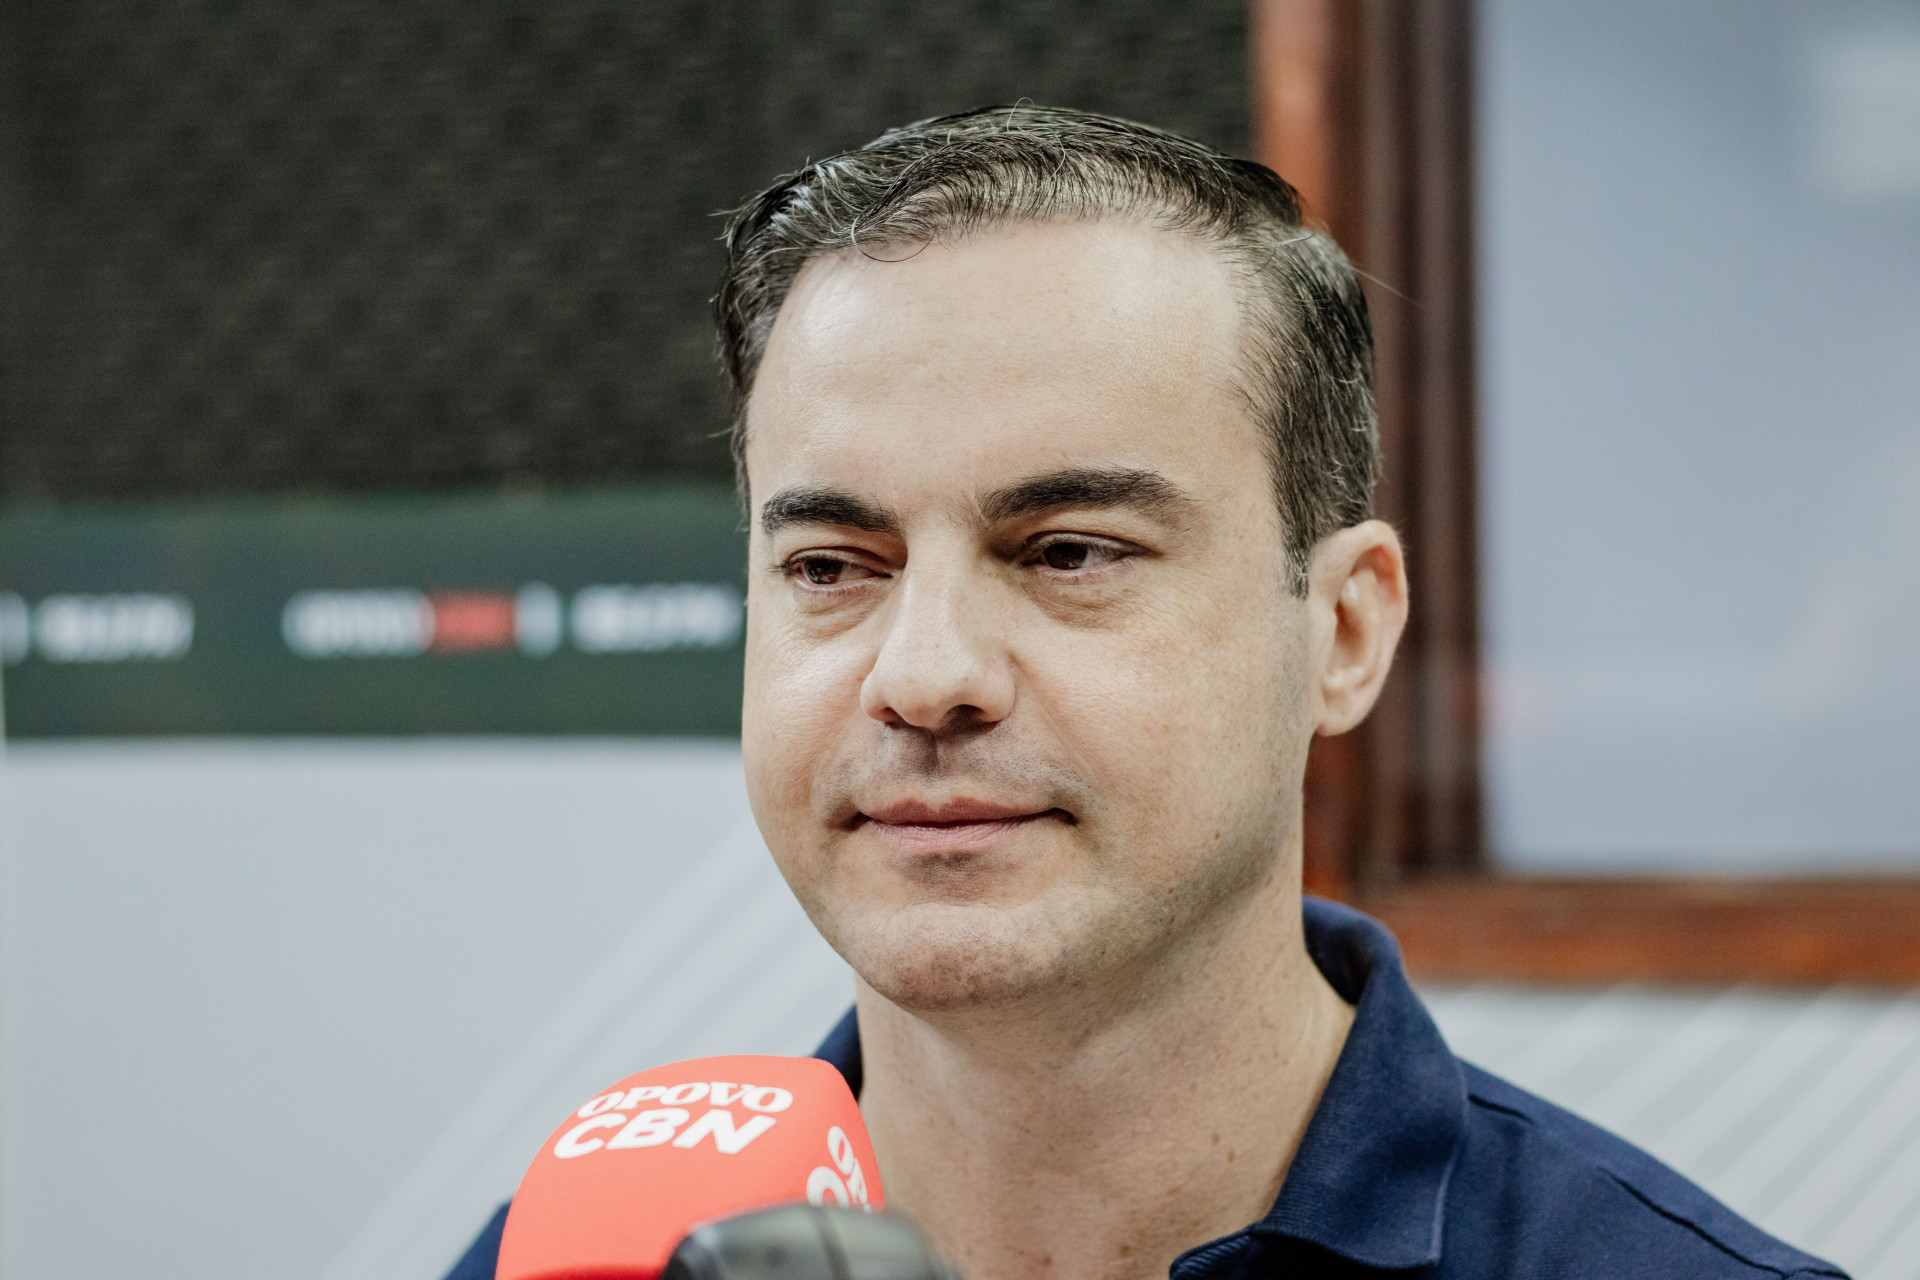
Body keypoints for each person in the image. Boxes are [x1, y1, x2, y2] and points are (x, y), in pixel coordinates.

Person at [447, 106, 1844, 1280]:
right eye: (832, 564)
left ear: (1345, 632)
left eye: (1067, 552)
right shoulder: (570, 1262)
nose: (925, 674)